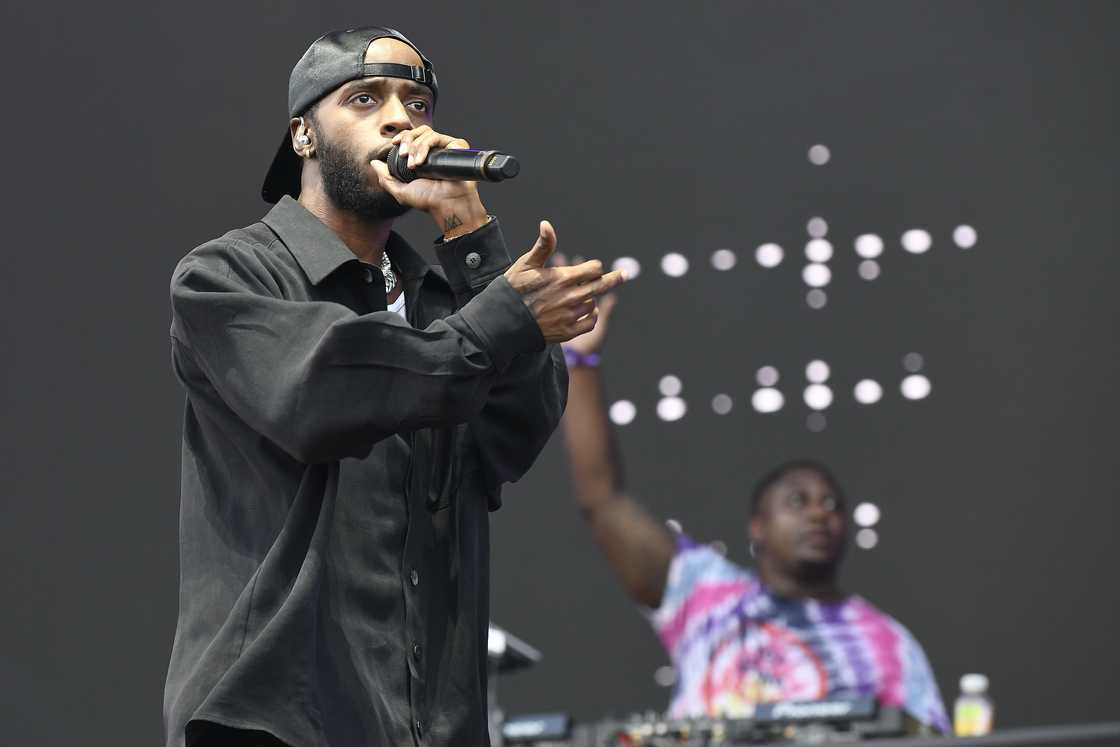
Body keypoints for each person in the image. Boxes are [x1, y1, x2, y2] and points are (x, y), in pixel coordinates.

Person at [163, 27, 624, 747]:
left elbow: (513, 437)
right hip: (277, 721)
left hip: (428, 725)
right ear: (304, 136)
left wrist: (470, 231)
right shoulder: (226, 276)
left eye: (417, 102)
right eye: (365, 98)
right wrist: (503, 316)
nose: (401, 119)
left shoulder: (443, 300)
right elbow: (323, 392)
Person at [558, 282, 949, 734]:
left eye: (832, 504)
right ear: (757, 528)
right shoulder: (705, 596)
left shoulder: (889, 643)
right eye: (798, 501)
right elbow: (603, 501)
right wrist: (580, 362)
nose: (820, 513)